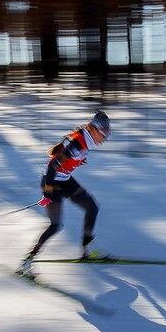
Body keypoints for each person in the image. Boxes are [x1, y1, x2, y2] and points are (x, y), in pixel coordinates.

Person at [18, 110, 111, 275]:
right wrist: (47, 193)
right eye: (103, 135)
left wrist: (77, 161)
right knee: (55, 226)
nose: (104, 139)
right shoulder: (77, 144)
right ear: (94, 129)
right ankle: (27, 261)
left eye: (106, 135)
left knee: (92, 207)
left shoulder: (85, 140)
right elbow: (53, 166)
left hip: (64, 180)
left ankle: (86, 251)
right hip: (51, 182)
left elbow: (67, 157)